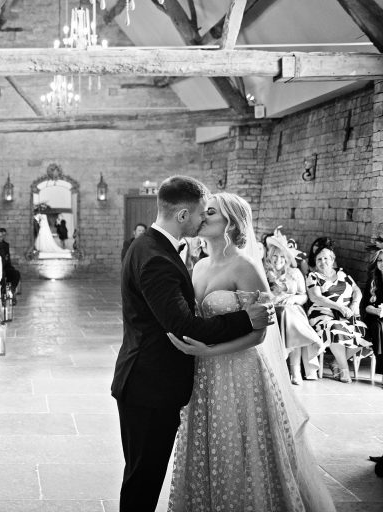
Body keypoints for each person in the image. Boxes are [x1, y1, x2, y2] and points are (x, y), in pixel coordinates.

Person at [166, 192, 336, 511]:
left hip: (238, 372)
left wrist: (209, 350)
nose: (202, 217)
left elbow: (259, 334)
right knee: (207, 444)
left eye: (210, 213)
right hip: (202, 373)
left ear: (230, 223)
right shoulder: (198, 266)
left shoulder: (244, 268)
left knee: (236, 448)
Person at [112, 176, 273, 512]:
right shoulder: (158, 255)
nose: (204, 219)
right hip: (151, 384)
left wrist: (245, 327)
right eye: (203, 212)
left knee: (222, 456)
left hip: (204, 377)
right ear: (184, 215)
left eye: (211, 213)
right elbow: (184, 324)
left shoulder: (159, 249)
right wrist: (246, 319)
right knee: (144, 477)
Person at [264, 230, 323, 384]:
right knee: (285, 316)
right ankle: (289, 368)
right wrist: (274, 298)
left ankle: (295, 369)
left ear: (287, 259)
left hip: (293, 309)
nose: (279, 259)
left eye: (283, 257)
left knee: (290, 318)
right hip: (271, 310)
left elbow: (304, 296)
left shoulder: (295, 272)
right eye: (275, 256)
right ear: (270, 256)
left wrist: (293, 298)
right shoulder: (264, 272)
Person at [307, 246, 371, 383]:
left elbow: (356, 290)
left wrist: (354, 304)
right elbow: (315, 297)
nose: (322, 261)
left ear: (332, 260)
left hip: (346, 315)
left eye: (326, 258)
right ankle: (344, 369)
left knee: (364, 331)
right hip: (323, 315)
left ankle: (336, 362)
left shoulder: (342, 273)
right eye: (319, 259)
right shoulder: (313, 276)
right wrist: (339, 307)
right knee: (335, 329)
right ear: (315, 262)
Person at [363, 249, 383, 363]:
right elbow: (366, 305)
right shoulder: (372, 280)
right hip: (374, 317)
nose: (382, 263)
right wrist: (376, 311)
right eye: (380, 260)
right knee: (378, 326)